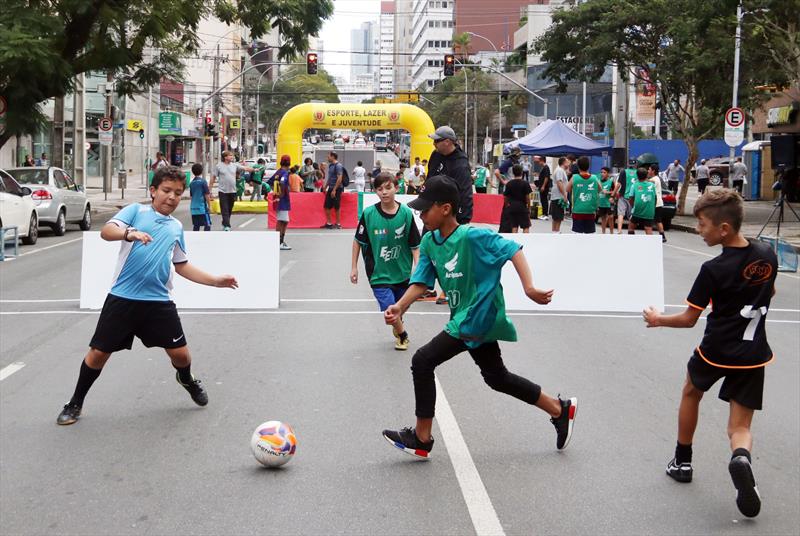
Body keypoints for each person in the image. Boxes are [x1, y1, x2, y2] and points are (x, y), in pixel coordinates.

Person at [380, 175, 578, 458]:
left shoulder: (473, 237)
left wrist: (529, 287)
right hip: (465, 316)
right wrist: (400, 306)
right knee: (497, 377)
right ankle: (559, 409)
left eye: (426, 208)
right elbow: (421, 282)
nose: (421, 214)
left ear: (445, 208)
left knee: (422, 361)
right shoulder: (429, 243)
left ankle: (422, 438)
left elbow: (513, 250)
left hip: (478, 315)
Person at [55, 166, 239, 426]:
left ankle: (186, 378)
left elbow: (181, 264)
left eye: (177, 192)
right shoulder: (136, 212)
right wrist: (129, 233)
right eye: (166, 191)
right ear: (153, 191)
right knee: (98, 354)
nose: (172, 197)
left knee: (182, 356)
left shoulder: (176, 227)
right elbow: (107, 231)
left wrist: (215, 281)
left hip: (158, 303)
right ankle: (75, 403)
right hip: (122, 299)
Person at [643, 189, 777, 519]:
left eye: (702, 225)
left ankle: (683, 460)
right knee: (740, 425)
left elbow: (689, 319)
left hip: (715, 350)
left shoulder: (713, 269)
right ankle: (741, 457)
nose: (699, 230)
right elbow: (770, 290)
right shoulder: (767, 254)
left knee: (692, 391)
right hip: (753, 352)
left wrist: (658, 319)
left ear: (724, 229)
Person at [351, 171, 421, 351]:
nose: (384, 192)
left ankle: (397, 323)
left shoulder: (406, 213)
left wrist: (419, 271)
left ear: (396, 188)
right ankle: (403, 335)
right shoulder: (368, 214)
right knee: (390, 310)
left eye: (388, 188)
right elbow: (358, 241)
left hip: (402, 272)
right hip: (378, 273)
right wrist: (354, 268)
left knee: (399, 309)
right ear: (375, 191)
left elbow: (415, 245)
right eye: (379, 189)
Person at [426, 126, 473, 225]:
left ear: (447, 141)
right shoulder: (435, 155)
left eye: (436, 141)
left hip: (449, 215)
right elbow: (429, 179)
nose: (434, 144)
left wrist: (463, 219)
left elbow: (465, 193)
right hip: (432, 210)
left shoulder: (460, 164)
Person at [210, 151, 255, 231]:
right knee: (224, 208)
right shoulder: (218, 166)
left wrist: (254, 170)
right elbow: (213, 178)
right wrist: (210, 190)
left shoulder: (234, 165)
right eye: (230, 155)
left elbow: (245, 168)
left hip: (233, 191)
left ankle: (225, 222)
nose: (232, 157)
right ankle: (227, 225)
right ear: (225, 157)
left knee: (230, 208)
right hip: (222, 191)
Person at [566, 156, 602, 234]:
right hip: (590, 210)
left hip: (577, 210)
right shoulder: (594, 178)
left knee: (577, 235)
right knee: (589, 236)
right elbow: (600, 189)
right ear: (588, 166)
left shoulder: (574, 177)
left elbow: (567, 189)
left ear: (578, 166)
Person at [498, 164, 532, 233]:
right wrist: (528, 207)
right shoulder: (525, 183)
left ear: (513, 173)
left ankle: (514, 240)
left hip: (512, 207)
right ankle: (526, 241)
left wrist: (507, 205)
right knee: (525, 226)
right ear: (522, 172)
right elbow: (527, 197)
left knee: (514, 226)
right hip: (522, 207)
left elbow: (505, 196)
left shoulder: (509, 183)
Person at [272, 155, 292, 250]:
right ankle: (279, 242)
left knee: (284, 220)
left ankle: (280, 241)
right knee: (282, 221)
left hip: (278, 199)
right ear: (289, 163)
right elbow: (283, 182)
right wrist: (281, 194)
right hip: (282, 200)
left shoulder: (278, 172)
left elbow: (269, 182)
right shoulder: (284, 173)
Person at [321, 152, 345, 229]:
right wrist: (325, 187)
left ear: (333, 157)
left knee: (336, 206)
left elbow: (339, 178)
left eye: (329, 157)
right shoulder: (331, 166)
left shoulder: (338, 166)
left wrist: (334, 190)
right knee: (326, 206)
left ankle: (338, 224)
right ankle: (329, 223)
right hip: (331, 188)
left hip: (337, 189)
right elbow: (330, 177)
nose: (327, 158)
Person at [630, 167, 656, 235]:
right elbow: (655, 198)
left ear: (637, 176)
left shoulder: (634, 185)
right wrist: (653, 207)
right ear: (646, 175)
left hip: (637, 210)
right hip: (649, 211)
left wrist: (633, 206)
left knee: (631, 227)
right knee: (648, 228)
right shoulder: (652, 185)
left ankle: (631, 243)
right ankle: (651, 244)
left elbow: (631, 198)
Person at [648, 164, 668, 242]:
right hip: (657, 203)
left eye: (649, 169)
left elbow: (648, 182)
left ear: (653, 171)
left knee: (656, 220)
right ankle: (662, 236)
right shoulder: (655, 178)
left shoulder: (655, 179)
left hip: (656, 203)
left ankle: (661, 236)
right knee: (657, 221)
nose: (648, 171)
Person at [549, 157, 570, 233]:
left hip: (557, 196)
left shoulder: (561, 170)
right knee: (558, 217)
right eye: (568, 162)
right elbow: (559, 182)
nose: (569, 163)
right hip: (559, 196)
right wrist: (564, 195)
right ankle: (556, 231)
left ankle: (555, 231)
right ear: (564, 162)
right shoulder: (560, 170)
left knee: (557, 216)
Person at [189, 163, 212, 231]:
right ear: (202, 171)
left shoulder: (191, 183)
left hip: (193, 209)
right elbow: (207, 195)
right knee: (207, 225)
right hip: (202, 208)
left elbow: (191, 196)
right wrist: (209, 206)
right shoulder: (203, 182)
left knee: (196, 226)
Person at [597, 167, 615, 234]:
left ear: (608, 174)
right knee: (603, 218)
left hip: (609, 203)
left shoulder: (611, 181)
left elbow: (615, 191)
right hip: (601, 203)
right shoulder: (599, 181)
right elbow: (597, 191)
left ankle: (611, 233)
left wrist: (609, 193)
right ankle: (603, 233)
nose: (602, 174)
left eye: (604, 172)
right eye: (601, 172)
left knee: (611, 217)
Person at [534, 156, 551, 220]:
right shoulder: (544, 167)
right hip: (541, 186)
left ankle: (545, 214)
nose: (539, 163)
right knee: (542, 200)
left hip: (544, 187)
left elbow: (546, 177)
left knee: (544, 200)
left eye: (539, 161)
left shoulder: (546, 168)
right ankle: (544, 213)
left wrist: (543, 186)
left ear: (542, 160)